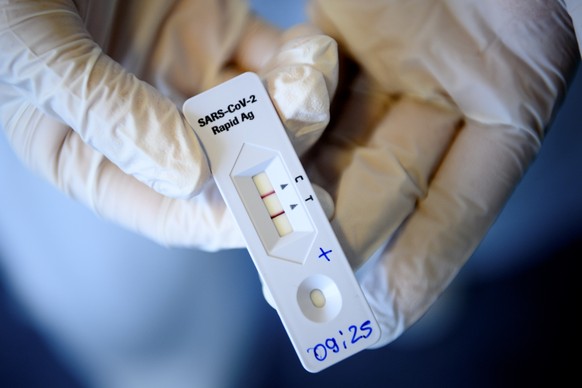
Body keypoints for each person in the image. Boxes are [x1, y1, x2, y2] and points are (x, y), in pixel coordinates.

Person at [0, 0, 581, 386]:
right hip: (98, 35)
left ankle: (416, 265)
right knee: (127, 307)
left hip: (405, 24)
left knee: (437, 168)